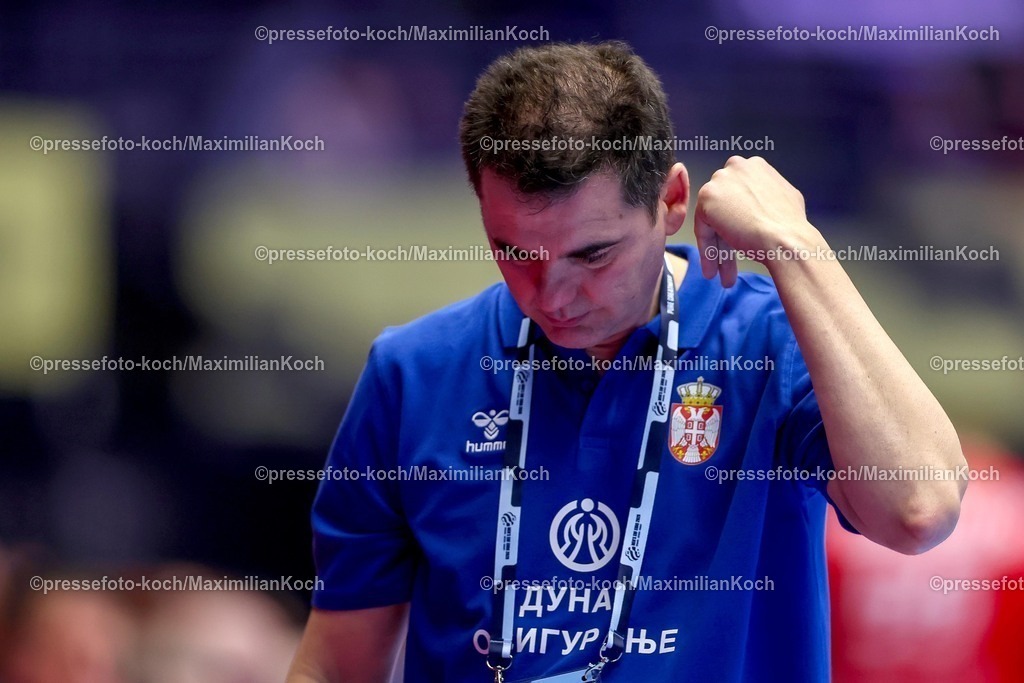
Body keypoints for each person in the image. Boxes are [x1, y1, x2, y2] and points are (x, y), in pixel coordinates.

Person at [286, 41, 966, 683]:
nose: (551, 295)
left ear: (671, 202)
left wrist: (792, 243)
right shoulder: (413, 373)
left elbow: (919, 506)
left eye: (593, 254)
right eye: (516, 251)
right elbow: (336, 665)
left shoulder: (769, 343)